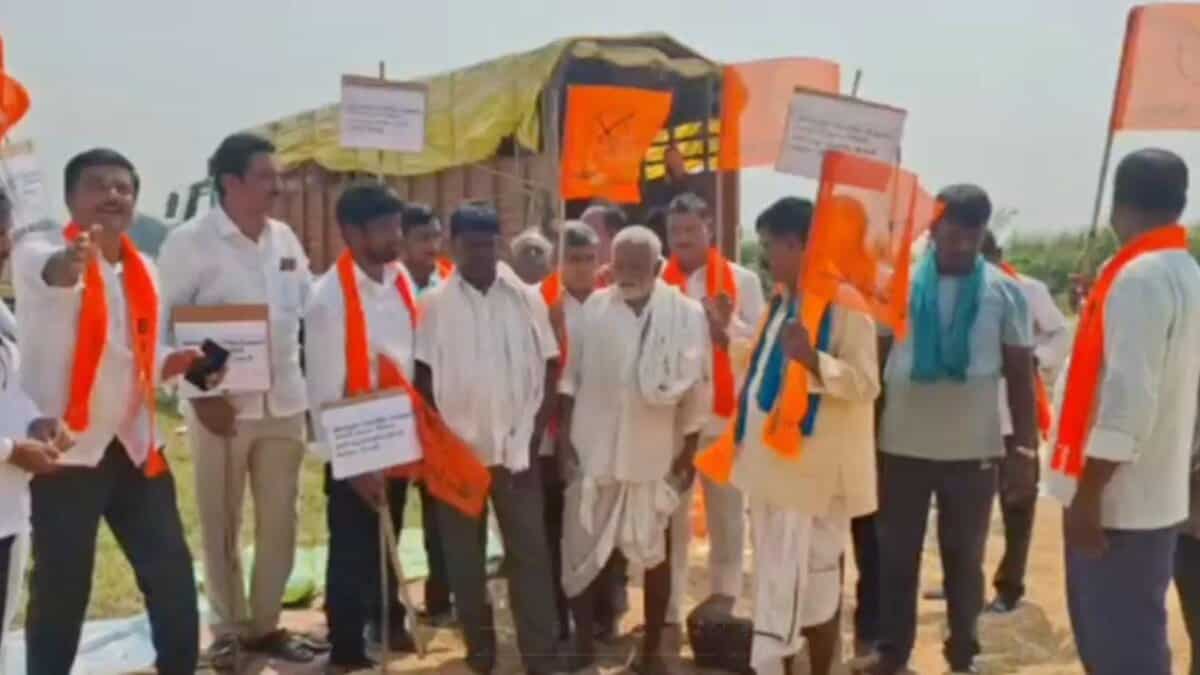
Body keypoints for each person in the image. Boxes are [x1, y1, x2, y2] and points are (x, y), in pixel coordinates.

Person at [13, 149, 206, 675]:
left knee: (170, 570)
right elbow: (55, 275)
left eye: (123, 188)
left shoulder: (144, 267)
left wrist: (174, 361)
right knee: (63, 584)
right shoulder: (39, 250)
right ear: (72, 198)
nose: (113, 196)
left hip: (136, 445)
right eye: (98, 185)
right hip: (67, 449)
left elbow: (135, 348)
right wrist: (72, 262)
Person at [158, 133, 319, 667]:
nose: (278, 186)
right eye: (266, 177)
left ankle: (266, 627)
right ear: (230, 182)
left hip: (284, 404)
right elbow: (166, 331)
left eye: (279, 176)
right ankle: (227, 629)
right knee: (221, 522)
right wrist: (199, 394)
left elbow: (307, 310)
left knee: (281, 522)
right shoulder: (190, 243)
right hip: (220, 411)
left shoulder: (285, 240)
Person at [870, 184, 1038, 675]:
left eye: (972, 228)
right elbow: (877, 369)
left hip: (972, 452)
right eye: (951, 226)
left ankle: (963, 653)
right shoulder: (896, 286)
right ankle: (892, 653)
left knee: (964, 562)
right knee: (897, 558)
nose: (961, 239)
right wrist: (868, 444)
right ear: (933, 226)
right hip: (900, 448)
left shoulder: (1006, 292)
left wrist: (1024, 449)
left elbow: (1021, 378)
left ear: (982, 231)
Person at [1047, 149, 1200, 675]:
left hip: (1118, 507)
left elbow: (1128, 403)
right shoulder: (1184, 271)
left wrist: (1088, 496)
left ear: (1117, 206)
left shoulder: (1138, 278)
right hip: (1151, 500)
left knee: (1120, 653)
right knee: (1130, 645)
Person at [714, 197, 880, 675]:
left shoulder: (846, 303)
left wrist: (813, 361)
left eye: (770, 247)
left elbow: (866, 382)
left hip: (813, 481)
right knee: (778, 588)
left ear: (798, 244)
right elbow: (765, 369)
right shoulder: (785, 298)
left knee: (818, 592)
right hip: (771, 474)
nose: (765, 258)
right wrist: (728, 335)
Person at [413, 203, 568, 674]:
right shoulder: (435, 305)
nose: (481, 253)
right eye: (471, 245)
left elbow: (548, 368)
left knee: (531, 559)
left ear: (499, 244)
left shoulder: (525, 298)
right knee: (465, 566)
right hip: (459, 460)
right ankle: (481, 656)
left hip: (517, 456)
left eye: (488, 244)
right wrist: (444, 451)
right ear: (454, 247)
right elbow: (423, 379)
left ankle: (541, 658)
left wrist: (531, 438)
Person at [559, 225, 708, 674]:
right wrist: (565, 442)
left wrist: (687, 459)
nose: (626, 275)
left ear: (659, 267)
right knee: (580, 552)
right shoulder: (594, 311)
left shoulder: (685, 314)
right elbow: (569, 380)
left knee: (655, 556)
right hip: (594, 452)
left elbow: (698, 393)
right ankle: (583, 647)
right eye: (619, 265)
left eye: (637, 267)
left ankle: (651, 654)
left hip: (652, 456)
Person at [304, 183, 420, 672]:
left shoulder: (400, 281)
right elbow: (323, 390)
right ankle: (347, 646)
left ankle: (388, 621)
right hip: (352, 439)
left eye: (397, 226)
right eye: (384, 228)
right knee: (350, 547)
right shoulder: (327, 300)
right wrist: (348, 462)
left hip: (396, 432)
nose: (396, 236)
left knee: (388, 529)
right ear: (352, 232)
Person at [662, 192, 766, 627]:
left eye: (691, 230)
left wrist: (724, 328)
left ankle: (724, 605)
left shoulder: (742, 282)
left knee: (727, 517)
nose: (683, 239)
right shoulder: (658, 281)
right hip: (672, 422)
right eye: (675, 232)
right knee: (671, 518)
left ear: (709, 230)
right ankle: (665, 610)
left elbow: (758, 346)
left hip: (725, 419)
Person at [980, 230, 1070, 614]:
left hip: (1017, 412)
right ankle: (963, 582)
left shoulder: (1028, 290)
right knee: (967, 506)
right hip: (972, 417)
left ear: (998, 256)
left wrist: (1036, 359)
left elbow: (1060, 331)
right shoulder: (953, 292)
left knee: (1017, 502)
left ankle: (1009, 586)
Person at [0, 187, 64, 660]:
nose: (6, 245)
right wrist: (10, 450)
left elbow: (10, 389)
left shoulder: (3, 313)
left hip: (7, 505)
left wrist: (36, 422)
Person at [537, 220, 602, 644]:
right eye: (572, 260)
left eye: (588, 259)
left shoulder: (609, 305)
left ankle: (599, 617)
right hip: (552, 439)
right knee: (553, 528)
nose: (581, 268)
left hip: (598, 437)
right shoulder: (543, 306)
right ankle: (557, 618)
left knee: (596, 530)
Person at [400, 201, 456, 625]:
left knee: (441, 513)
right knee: (395, 509)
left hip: (442, 418)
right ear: (401, 242)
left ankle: (441, 597)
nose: (432, 247)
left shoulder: (451, 286)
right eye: (423, 239)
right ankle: (387, 604)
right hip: (398, 420)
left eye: (436, 237)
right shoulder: (388, 289)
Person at [401, 203, 449, 293]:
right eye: (423, 238)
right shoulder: (389, 281)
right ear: (403, 242)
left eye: (436, 236)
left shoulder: (452, 277)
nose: (433, 245)